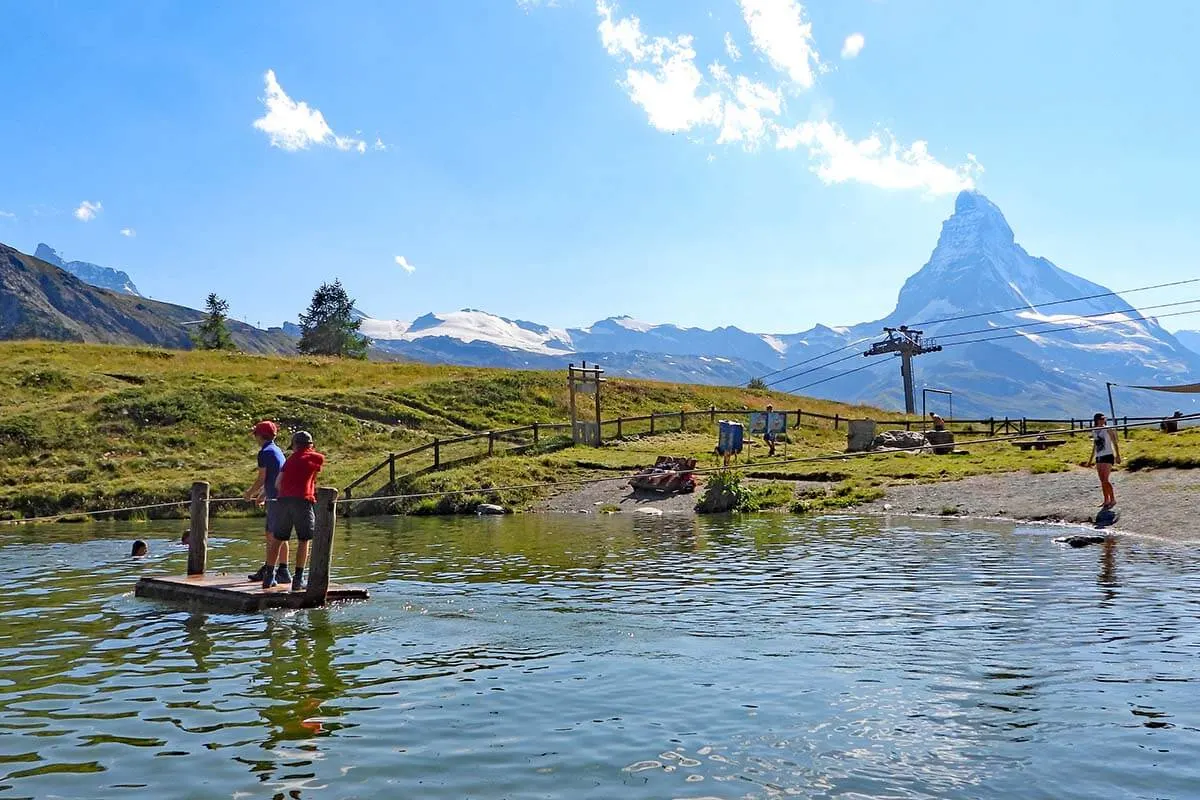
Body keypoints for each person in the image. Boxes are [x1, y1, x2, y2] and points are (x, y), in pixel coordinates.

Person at [263, 431, 325, 591]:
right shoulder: (317, 458)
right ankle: (298, 580)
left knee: (278, 539)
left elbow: (278, 483)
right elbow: (313, 477)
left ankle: (268, 578)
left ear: (295, 445)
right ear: (310, 445)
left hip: (283, 501)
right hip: (303, 501)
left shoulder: (289, 461)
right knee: (304, 540)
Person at [245, 421, 289, 585]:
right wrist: (264, 493)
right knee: (277, 535)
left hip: (276, 499)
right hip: (279, 497)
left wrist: (250, 493)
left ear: (259, 435)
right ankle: (277, 568)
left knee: (274, 535)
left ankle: (275, 570)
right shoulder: (277, 450)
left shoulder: (264, 452)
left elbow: (262, 477)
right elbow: (275, 476)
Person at [1085, 412, 1121, 510]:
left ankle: (1112, 499)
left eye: (1103, 419)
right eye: (1101, 419)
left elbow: (1114, 442)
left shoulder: (1108, 429)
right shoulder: (1094, 430)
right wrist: (1090, 459)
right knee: (1102, 481)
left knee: (1105, 479)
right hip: (1099, 456)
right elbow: (1095, 445)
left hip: (1108, 456)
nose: (1103, 420)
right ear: (1097, 420)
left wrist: (1117, 455)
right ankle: (1106, 500)